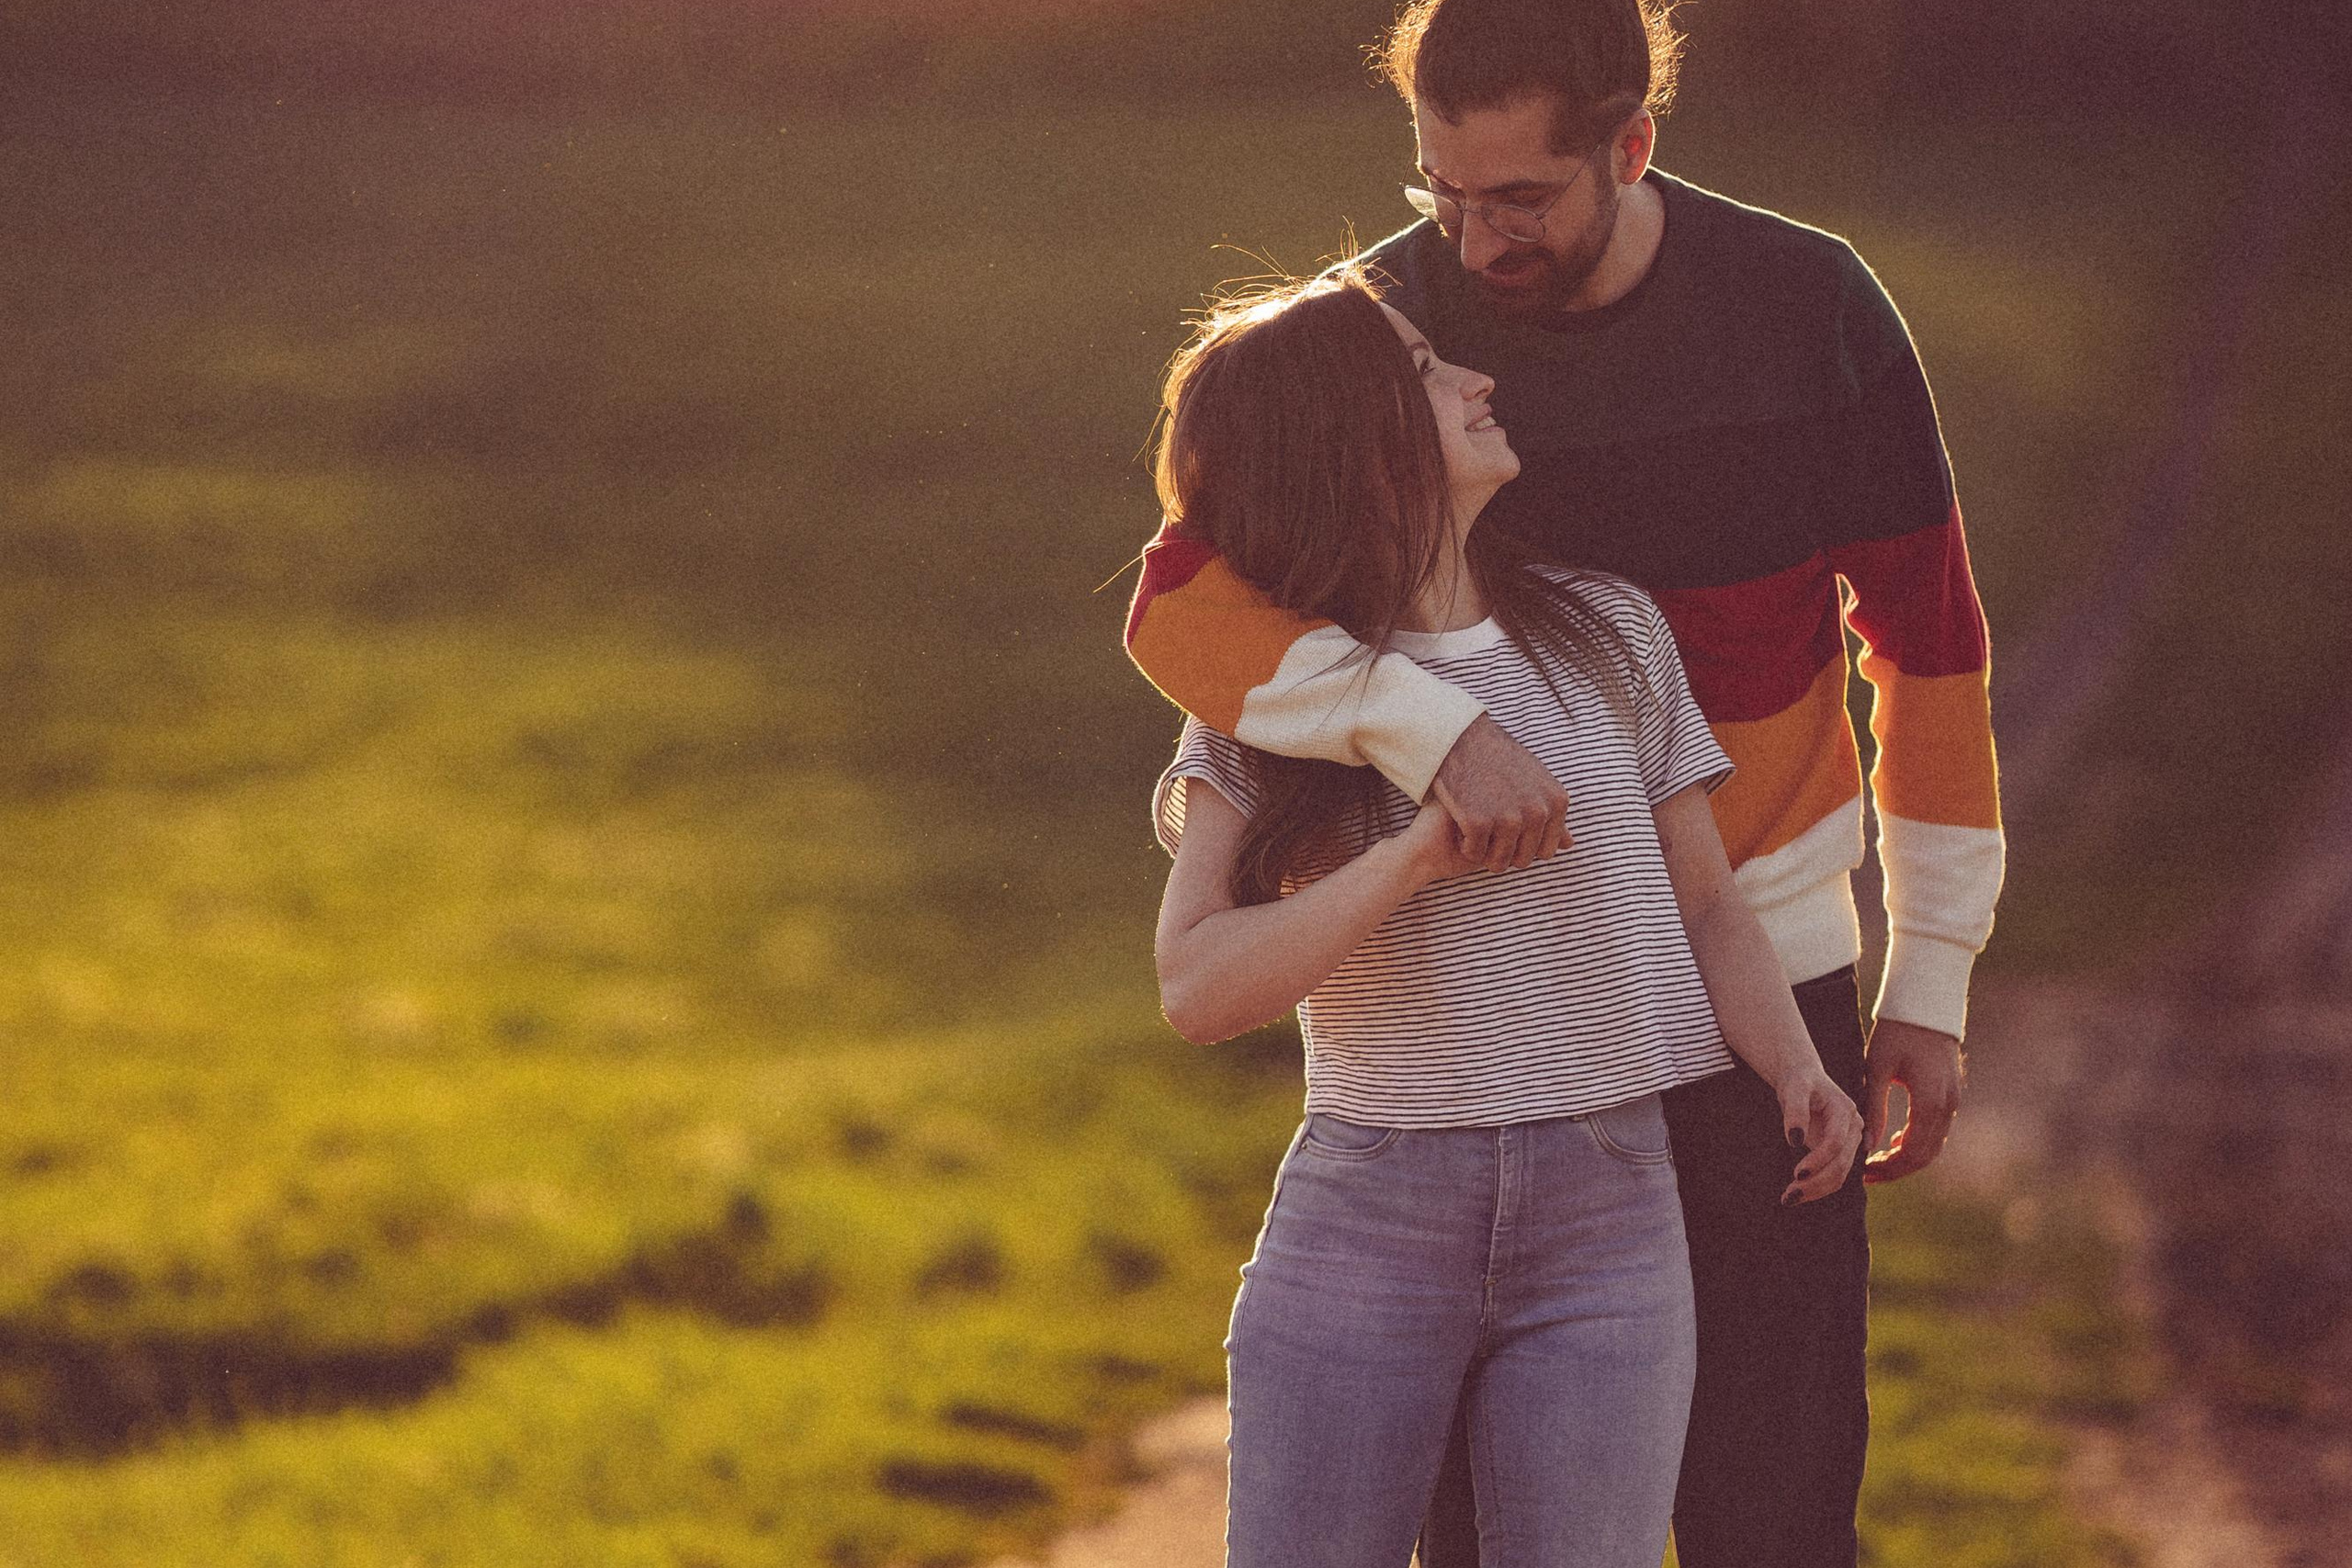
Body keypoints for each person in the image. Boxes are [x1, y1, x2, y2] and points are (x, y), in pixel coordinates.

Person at [1124, 4, 2004, 1565]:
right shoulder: (1391, 335)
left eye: (1519, 197)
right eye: (1438, 192)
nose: (1471, 243)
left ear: (1630, 145)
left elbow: (1928, 649)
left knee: (1775, 1504)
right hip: (1495, 1036)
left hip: (1760, 981)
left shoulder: (1816, 311)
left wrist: (1926, 977)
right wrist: (1423, 726)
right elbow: (1182, 604)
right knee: (1490, 1529)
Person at [1150, 265, 1862, 1568]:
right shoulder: (1268, 702)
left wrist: (1798, 1065)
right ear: (1350, 441)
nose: (1477, 381)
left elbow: (1705, 902)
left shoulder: (1610, 631)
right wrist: (1415, 857)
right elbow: (1197, 988)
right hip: (1370, 1218)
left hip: (1612, 1218)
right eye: (1428, 373)